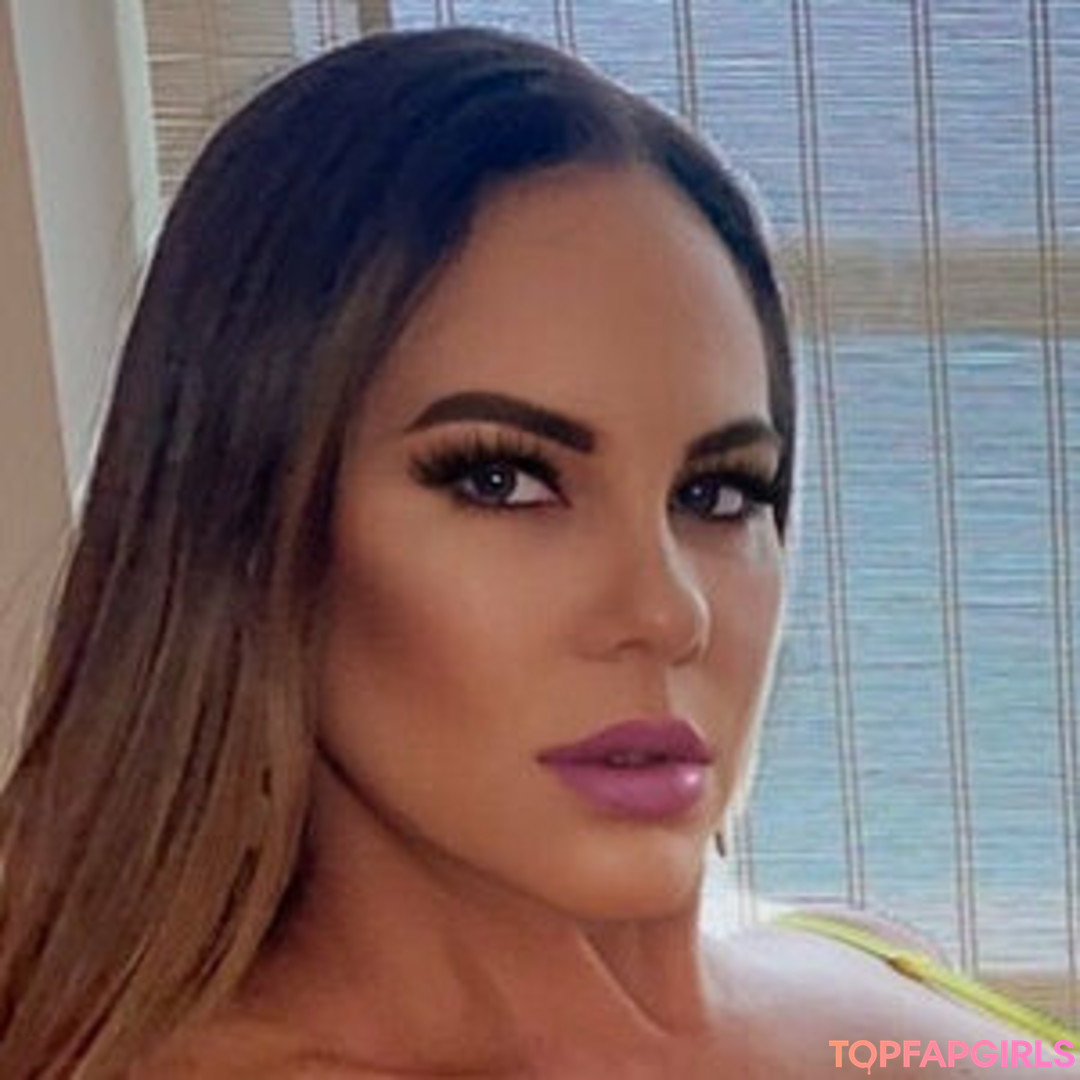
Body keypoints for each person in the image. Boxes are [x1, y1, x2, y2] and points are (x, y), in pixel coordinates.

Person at [0, 24, 1074, 1079]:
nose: (669, 612)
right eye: (500, 480)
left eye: (716, 492)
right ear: (248, 525)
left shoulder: (845, 962)